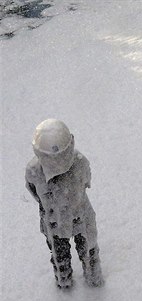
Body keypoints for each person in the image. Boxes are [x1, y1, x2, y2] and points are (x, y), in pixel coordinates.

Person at [25, 119, 103, 288]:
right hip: (61, 221)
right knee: (66, 255)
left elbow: (33, 192)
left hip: (74, 217)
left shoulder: (78, 163)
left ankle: (86, 279)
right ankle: (73, 280)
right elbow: (86, 182)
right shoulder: (36, 171)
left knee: (85, 249)